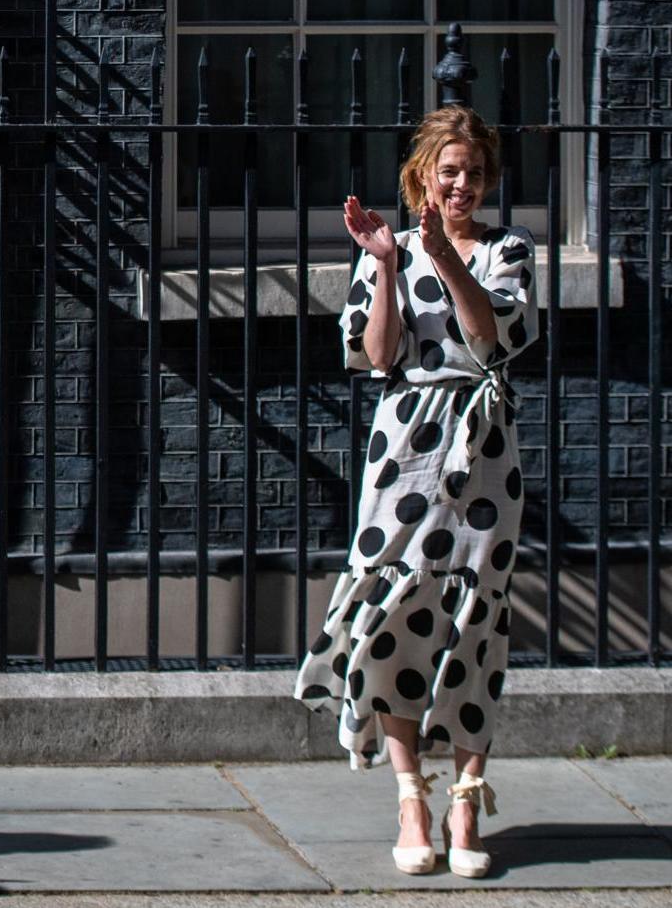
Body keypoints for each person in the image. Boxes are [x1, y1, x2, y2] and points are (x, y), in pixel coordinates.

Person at [293, 105, 537, 880]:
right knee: (395, 616)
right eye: (448, 170)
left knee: (475, 618)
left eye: (472, 172)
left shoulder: (509, 250)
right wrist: (395, 264)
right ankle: (410, 798)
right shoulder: (386, 251)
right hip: (403, 443)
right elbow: (376, 354)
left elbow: (489, 338)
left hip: (483, 444)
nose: (460, 183)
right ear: (422, 176)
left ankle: (466, 796)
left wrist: (447, 259)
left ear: (486, 179)